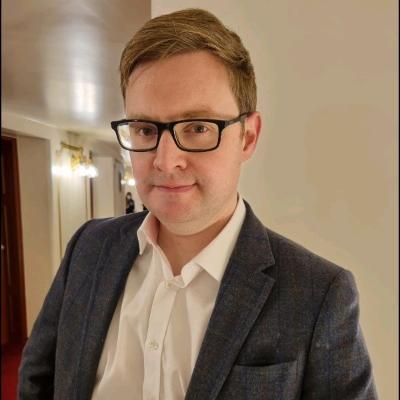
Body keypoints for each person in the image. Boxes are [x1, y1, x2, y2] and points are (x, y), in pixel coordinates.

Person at [18, 8, 378, 400]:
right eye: (145, 129)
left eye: (198, 127)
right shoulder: (88, 247)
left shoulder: (318, 293)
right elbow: (39, 380)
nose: (166, 160)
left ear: (247, 137)